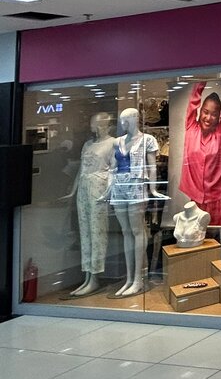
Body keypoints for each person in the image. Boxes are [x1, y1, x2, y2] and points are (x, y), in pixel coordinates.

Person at [62, 112, 116, 297]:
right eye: (92, 124)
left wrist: (108, 193)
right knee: (84, 232)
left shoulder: (113, 143)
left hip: (99, 188)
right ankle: (87, 277)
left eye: (95, 124)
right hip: (84, 188)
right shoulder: (87, 144)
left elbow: (113, 171)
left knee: (97, 232)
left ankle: (95, 277)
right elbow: (81, 170)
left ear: (104, 125)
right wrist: (73, 191)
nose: (92, 127)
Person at [106, 108, 158, 297]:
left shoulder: (147, 140)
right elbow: (112, 168)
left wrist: (153, 189)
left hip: (136, 185)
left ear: (135, 119)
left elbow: (152, 167)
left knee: (137, 231)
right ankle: (129, 278)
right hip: (119, 187)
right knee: (126, 231)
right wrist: (108, 189)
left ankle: (138, 278)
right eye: (121, 121)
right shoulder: (117, 142)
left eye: (126, 120)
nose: (123, 124)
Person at [180, 79, 221, 225]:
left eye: (214, 114)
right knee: (198, 237)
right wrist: (201, 78)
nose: (208, 118)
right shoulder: (191, 127)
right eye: (205, 112)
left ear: (219, 117)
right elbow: (193, 101)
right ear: (200, 112)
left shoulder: (220, 132)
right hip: (197, 201)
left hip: (219, 200)